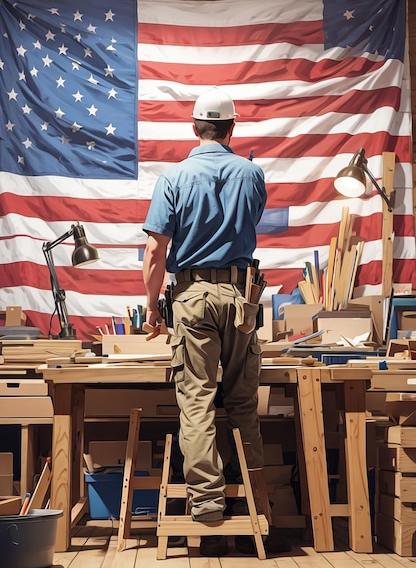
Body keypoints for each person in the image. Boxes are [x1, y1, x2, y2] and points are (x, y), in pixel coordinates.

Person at [142, 87, 269, 557]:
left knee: (196, 402)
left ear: (194, 127)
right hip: (242, 297)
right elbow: (249, 222)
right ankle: (258, 504)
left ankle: (208, 507)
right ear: (232, 128)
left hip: (191, 296)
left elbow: (157, 250)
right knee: (241, 403)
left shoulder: (173, 177)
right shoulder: (251, 173)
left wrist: (153, 306)